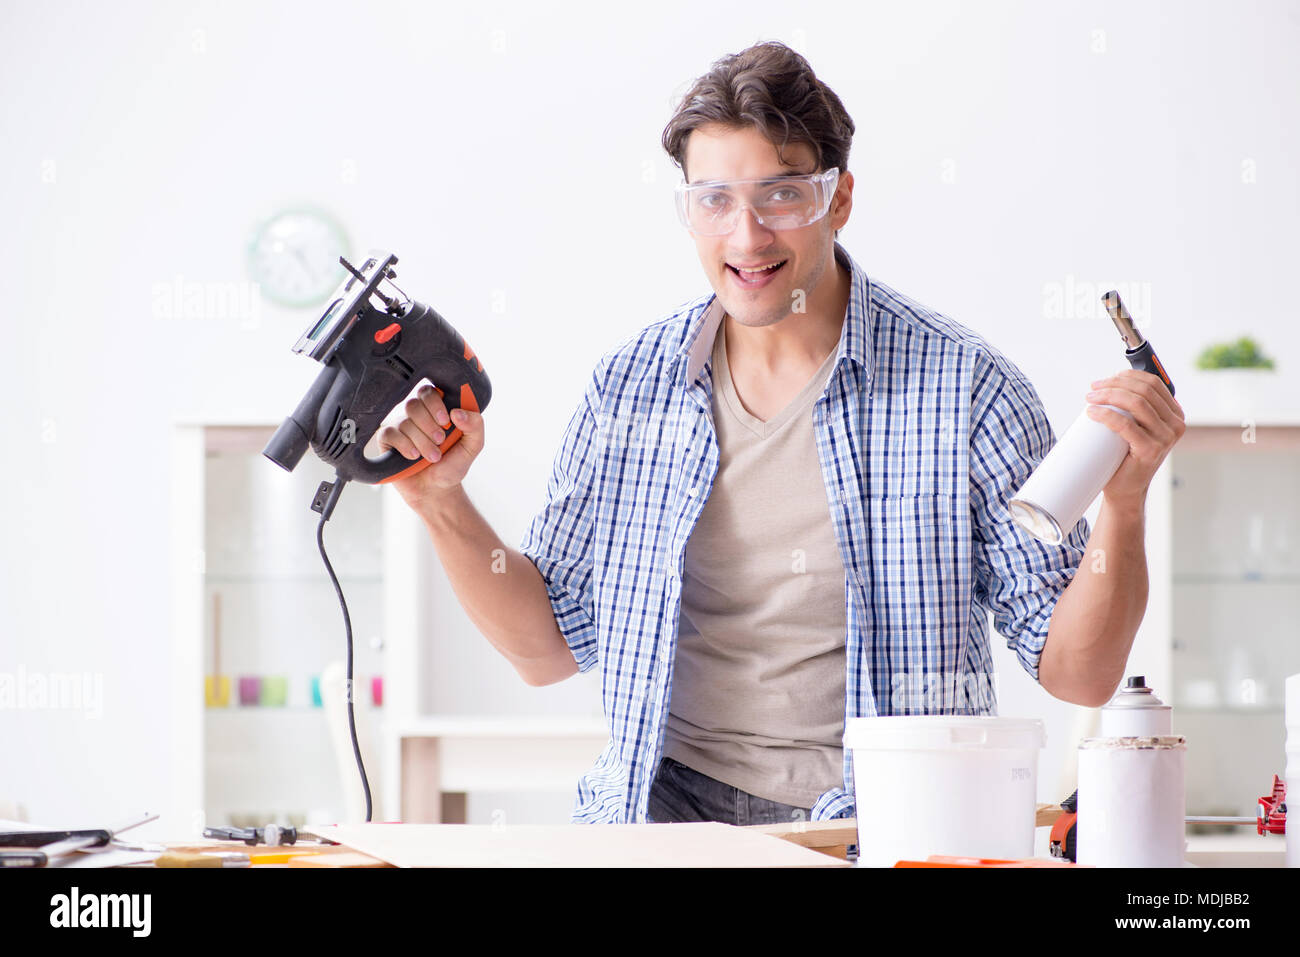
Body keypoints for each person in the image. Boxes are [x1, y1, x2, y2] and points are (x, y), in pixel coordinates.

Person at [375, 40, 1185, 828]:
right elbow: (547, 650)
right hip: (665, 823)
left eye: (782, 194)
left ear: (839, 198)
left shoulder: (966, 387)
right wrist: (443, 504)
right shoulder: (629, 387)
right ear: (689, 210)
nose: (747, 235)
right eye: (715, 199)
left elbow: (1079, 672)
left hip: (887, 828)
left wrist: (1126, 499)